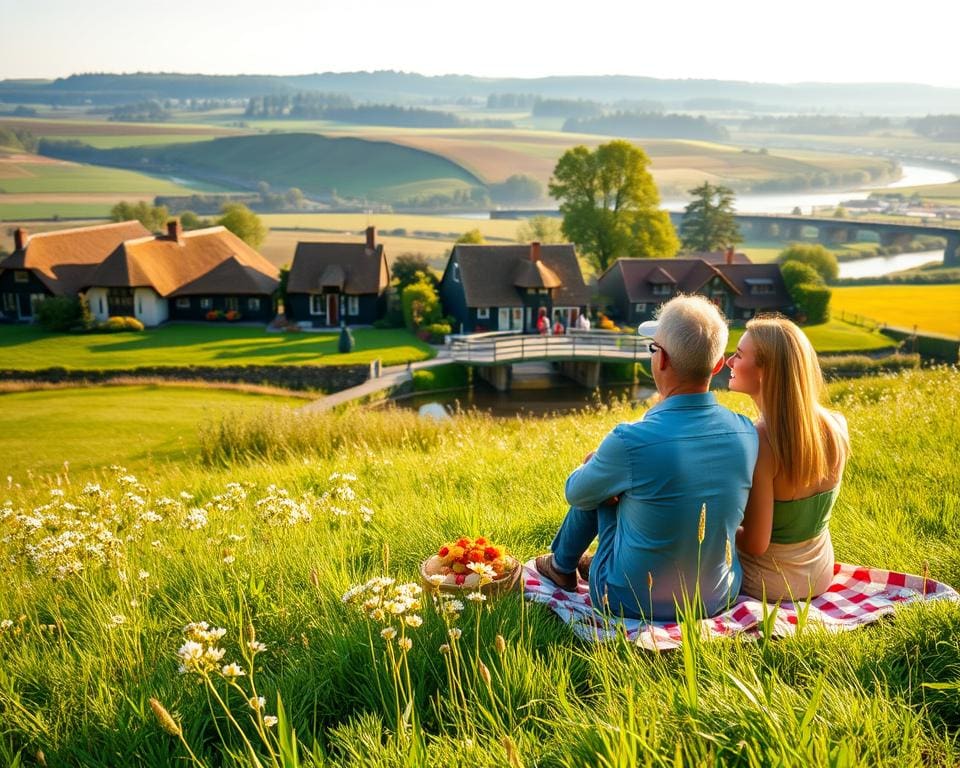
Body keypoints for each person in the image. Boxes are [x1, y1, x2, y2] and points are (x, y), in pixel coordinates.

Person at [535, 295, 759, 620]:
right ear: (717, 364)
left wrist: (592, 466)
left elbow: (576, 493)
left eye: (652, 348)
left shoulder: (629, 440)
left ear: (662, 359)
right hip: (716, 597)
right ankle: (582, 559)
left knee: (598, 486)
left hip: (628, 599)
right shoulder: (745, 431)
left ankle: (560, 566)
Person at [727, 315, 850, 602]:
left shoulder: (761, 441)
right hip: (821, 573)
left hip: (770, 583)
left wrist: (719, 528)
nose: (730, 361)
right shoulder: (836, 424)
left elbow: (757, 544)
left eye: (739, 355)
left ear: (765, 372)